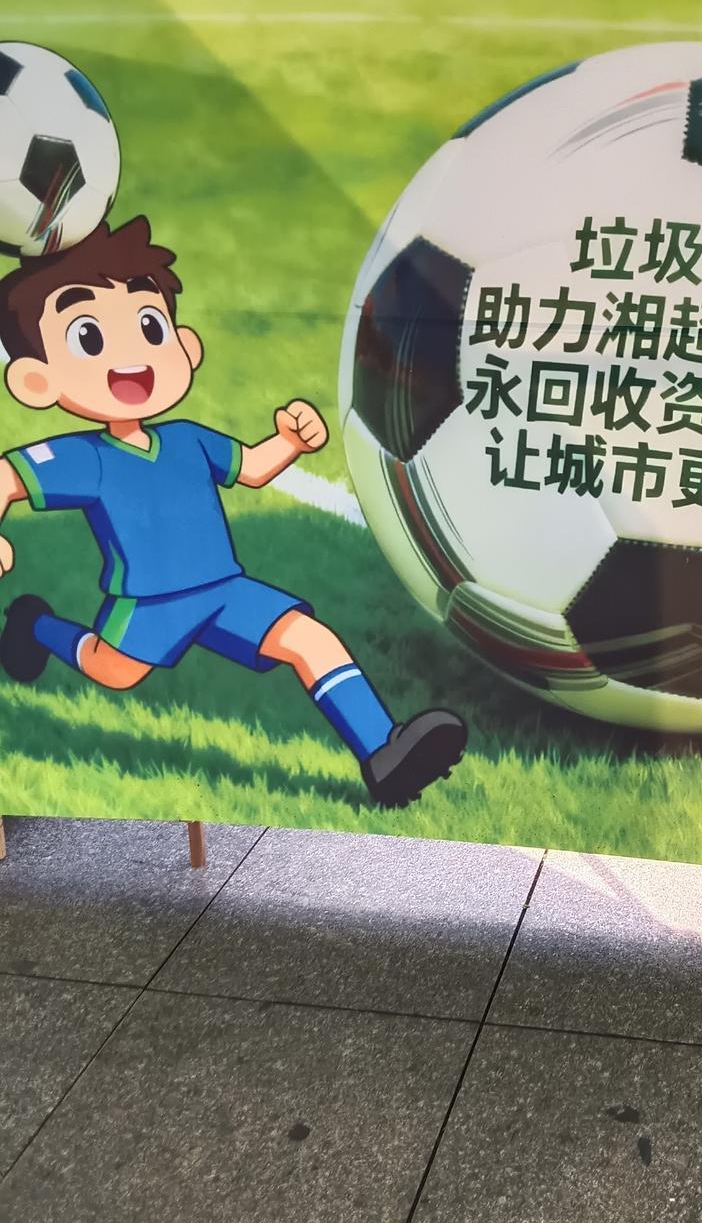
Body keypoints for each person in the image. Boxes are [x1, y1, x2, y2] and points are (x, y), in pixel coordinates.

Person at [0, 216, 466, 807]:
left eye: (149, 327)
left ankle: (384, 753)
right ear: (37, 380)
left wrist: (289, 443)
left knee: (309, 640)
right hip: (150, 603)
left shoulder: (188, 438)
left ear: (185, 345)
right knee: (112, 671)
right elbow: (7, 477)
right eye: (89, 338)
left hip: (225, 588)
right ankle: (36, 626)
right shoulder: (84, 457)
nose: (131, 357)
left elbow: (250, 467)